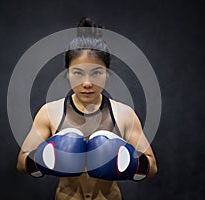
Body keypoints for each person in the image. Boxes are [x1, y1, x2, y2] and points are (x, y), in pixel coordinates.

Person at [17, 17, 158, 200]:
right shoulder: (50, 113)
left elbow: (152, 167)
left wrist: (128, 162)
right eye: (78, 73)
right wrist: (44, 158)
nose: (87, 83)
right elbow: (21, 163)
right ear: (67, 74)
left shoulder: (124, 114)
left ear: (107, 74)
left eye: (96, 73)